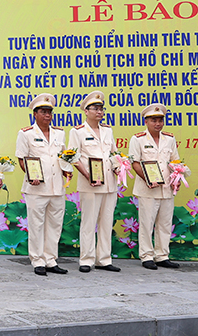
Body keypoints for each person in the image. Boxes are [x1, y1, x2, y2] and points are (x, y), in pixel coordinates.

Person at [15, 93, 69, 276]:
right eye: (43, 112)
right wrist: (31, 176)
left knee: (55, 225)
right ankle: (37, 260)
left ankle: (51, 259)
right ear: (35, 114)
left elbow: (63, 157)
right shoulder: (26, 134)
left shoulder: (60, 133)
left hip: (57, 186)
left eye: (50, 112)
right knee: (36, 224)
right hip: (36, 187)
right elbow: (22, 159)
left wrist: (68, 168)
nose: (47, 115)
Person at [68, 90, 120, 273]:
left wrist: (119, 167)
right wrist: (88, 175)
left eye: (101, 108)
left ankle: (104, 259)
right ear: (86, 110)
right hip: (89, 184)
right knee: (89, 222)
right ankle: (86, 259)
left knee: (107, 221)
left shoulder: (108, 130)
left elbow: (114, 153)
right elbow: (73, 157)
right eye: (95, 108)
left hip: (109, 184)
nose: (99, 112)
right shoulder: (77, 132)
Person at [129, 102, 180, 270]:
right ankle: (146, 255)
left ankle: (162, 255)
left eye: (160, 120)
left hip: (166, 188)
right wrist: (147, 179)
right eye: (153, 120)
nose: (157, 123)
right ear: (146, 121)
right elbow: (135, 163)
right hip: (147, 189)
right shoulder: (138, 139)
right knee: (146, 223)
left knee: (165, 223)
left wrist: (177, 176)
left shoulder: (170, 139)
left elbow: (175, 161)